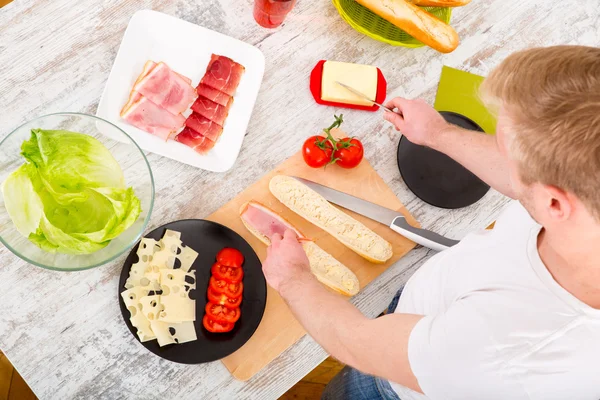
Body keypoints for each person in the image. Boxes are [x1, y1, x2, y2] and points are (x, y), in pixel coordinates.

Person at [262, 45, 600, 400]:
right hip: (431, 305)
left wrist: (293, 279)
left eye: (506, 149)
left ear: (554, 202)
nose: (503, 157)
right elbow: (523, 175)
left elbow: (356, 345)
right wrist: (439, 134)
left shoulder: (508, 349)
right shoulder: (580, 197)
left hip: (392, 386)